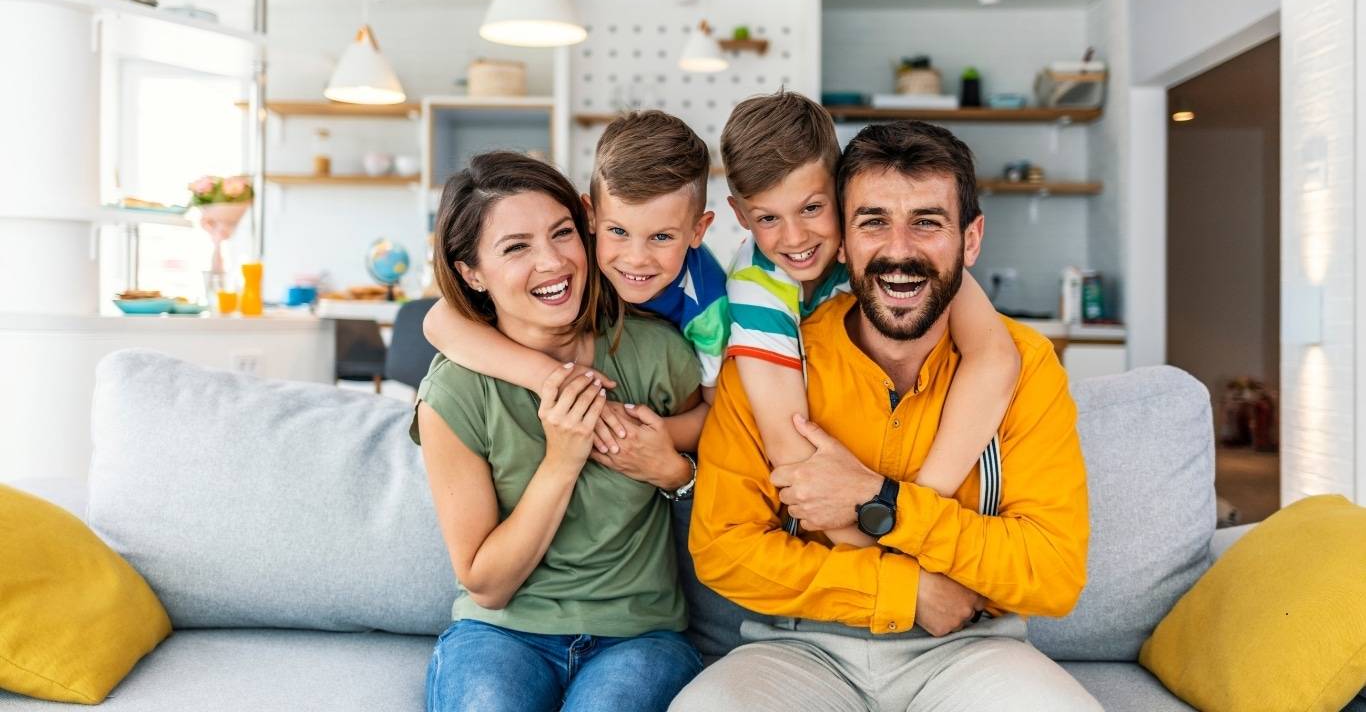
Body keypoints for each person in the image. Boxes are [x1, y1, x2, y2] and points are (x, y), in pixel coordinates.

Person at [674, 121, 1100, 711]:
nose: (900, 250)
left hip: (967, 649)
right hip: (801, 648)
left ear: (970, 240)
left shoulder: (1024, 366)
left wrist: (883, 502)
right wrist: (903, 590)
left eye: (927, 222)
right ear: (843, 241)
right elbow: (724, 550)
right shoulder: (771, 356)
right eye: (874, 221)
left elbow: (1052, 572)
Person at [412, 151, 703, 712]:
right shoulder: (454, 394)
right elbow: (487, 585)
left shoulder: (656, 352)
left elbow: (723, 452)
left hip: (639, 636)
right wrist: (563, 458)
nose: (552, 261)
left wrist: (675, 467)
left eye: (562, 233)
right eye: (516, 246)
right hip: (501, 633)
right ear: (472, 272)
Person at [719, 91, 1020, 545]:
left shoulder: (891, 254)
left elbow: (995, 358)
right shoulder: (756, 290)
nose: (795, 237)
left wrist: (910, 514)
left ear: (842, 191)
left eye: (812, 208)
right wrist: (896, 563)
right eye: (767, 218)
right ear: (740, 214)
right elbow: (795, 456)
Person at [421, 111, 725, 458]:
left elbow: (718, 417)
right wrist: (550, 377)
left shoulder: (710, 311)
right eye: (619, 231)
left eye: (661, 237)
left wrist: (623, 431)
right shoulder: (583, 255)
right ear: (592, 216)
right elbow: (438, 321)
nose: (636, 258)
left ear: (698, 231)